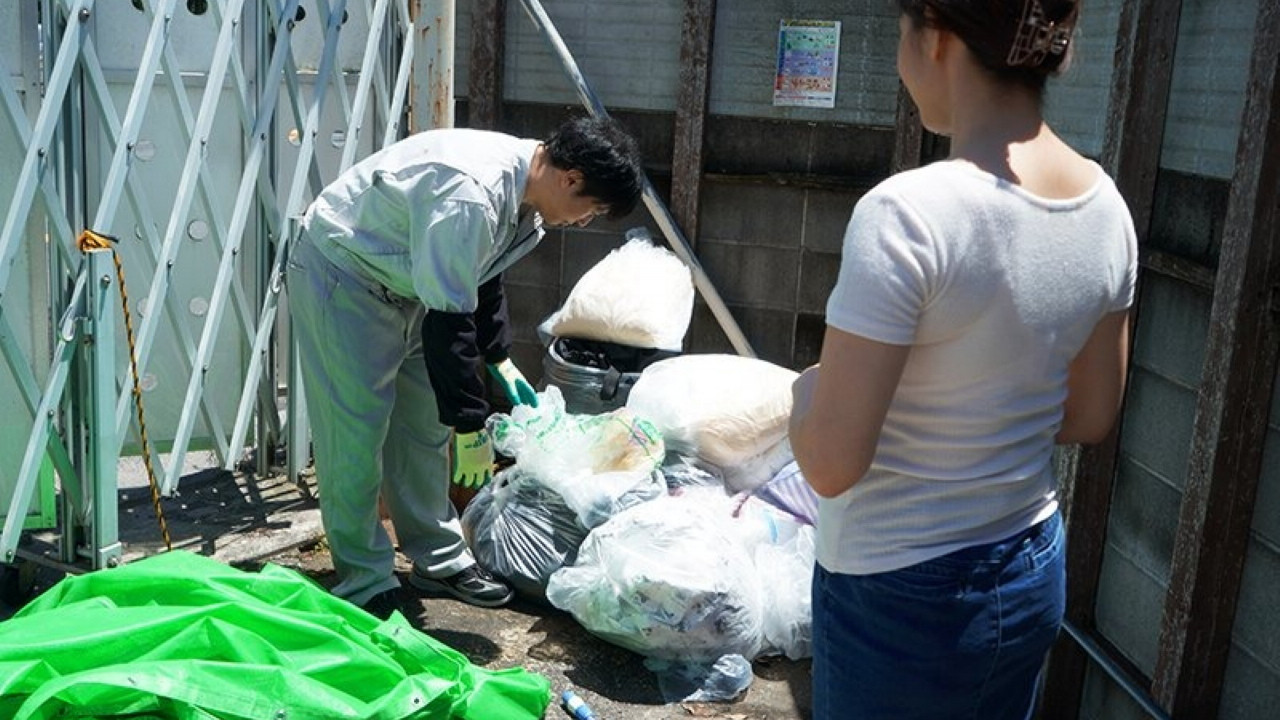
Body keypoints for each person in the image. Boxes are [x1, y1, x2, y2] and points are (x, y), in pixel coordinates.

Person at [788, 0, 1137, 717]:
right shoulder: (1107, 208)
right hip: (1029, 561)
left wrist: (803, 396)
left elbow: (829, 464)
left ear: (938, 38)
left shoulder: (907, 213)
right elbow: (1092, 414)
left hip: (900, 592)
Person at [287, 116, 644, 618]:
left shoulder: (526, 195)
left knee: (423, 425)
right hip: (347, 275)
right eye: (591, 210)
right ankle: (365, 577)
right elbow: (450, 318)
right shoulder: (471, 192)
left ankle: (438, 557)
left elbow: (482, 277)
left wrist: (498, 357)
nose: (584, 222)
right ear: (571, 179)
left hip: (413, 284)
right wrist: (471, 424)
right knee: (355, 430)